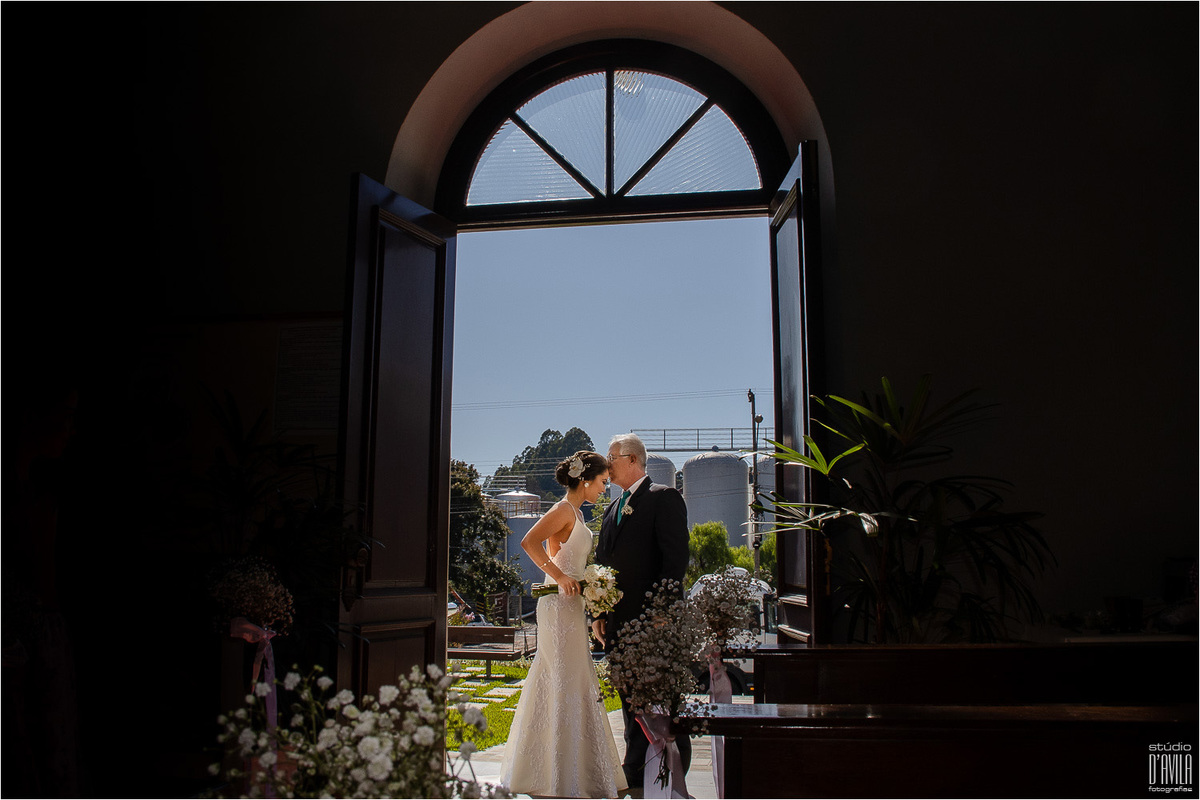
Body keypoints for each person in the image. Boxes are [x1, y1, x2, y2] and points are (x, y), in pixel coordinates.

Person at [499, 451, 627, 798]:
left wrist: (590, 587)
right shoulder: (561, 510)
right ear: (585, 480)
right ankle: (556, 773)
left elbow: (557, 549)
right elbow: (529, 542)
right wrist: (559, 577)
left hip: (571, 607)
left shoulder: (576, 515)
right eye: (602, 482)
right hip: (558, 606)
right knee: (562, 678)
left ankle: (571, 769)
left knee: (572, 677)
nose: (604, 489)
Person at [593, 433, 691, 790]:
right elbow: (602, 565)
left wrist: (662, 613)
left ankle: (668, 771)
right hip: (619, 625)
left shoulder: (663, 498)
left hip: (653, 623)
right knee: (630, 700)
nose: (607, 463)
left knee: (661, 702)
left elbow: (675, 558)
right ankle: (636, 767)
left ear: (632, 459)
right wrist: (598, 615)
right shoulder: (610, 510)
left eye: (612, 456)